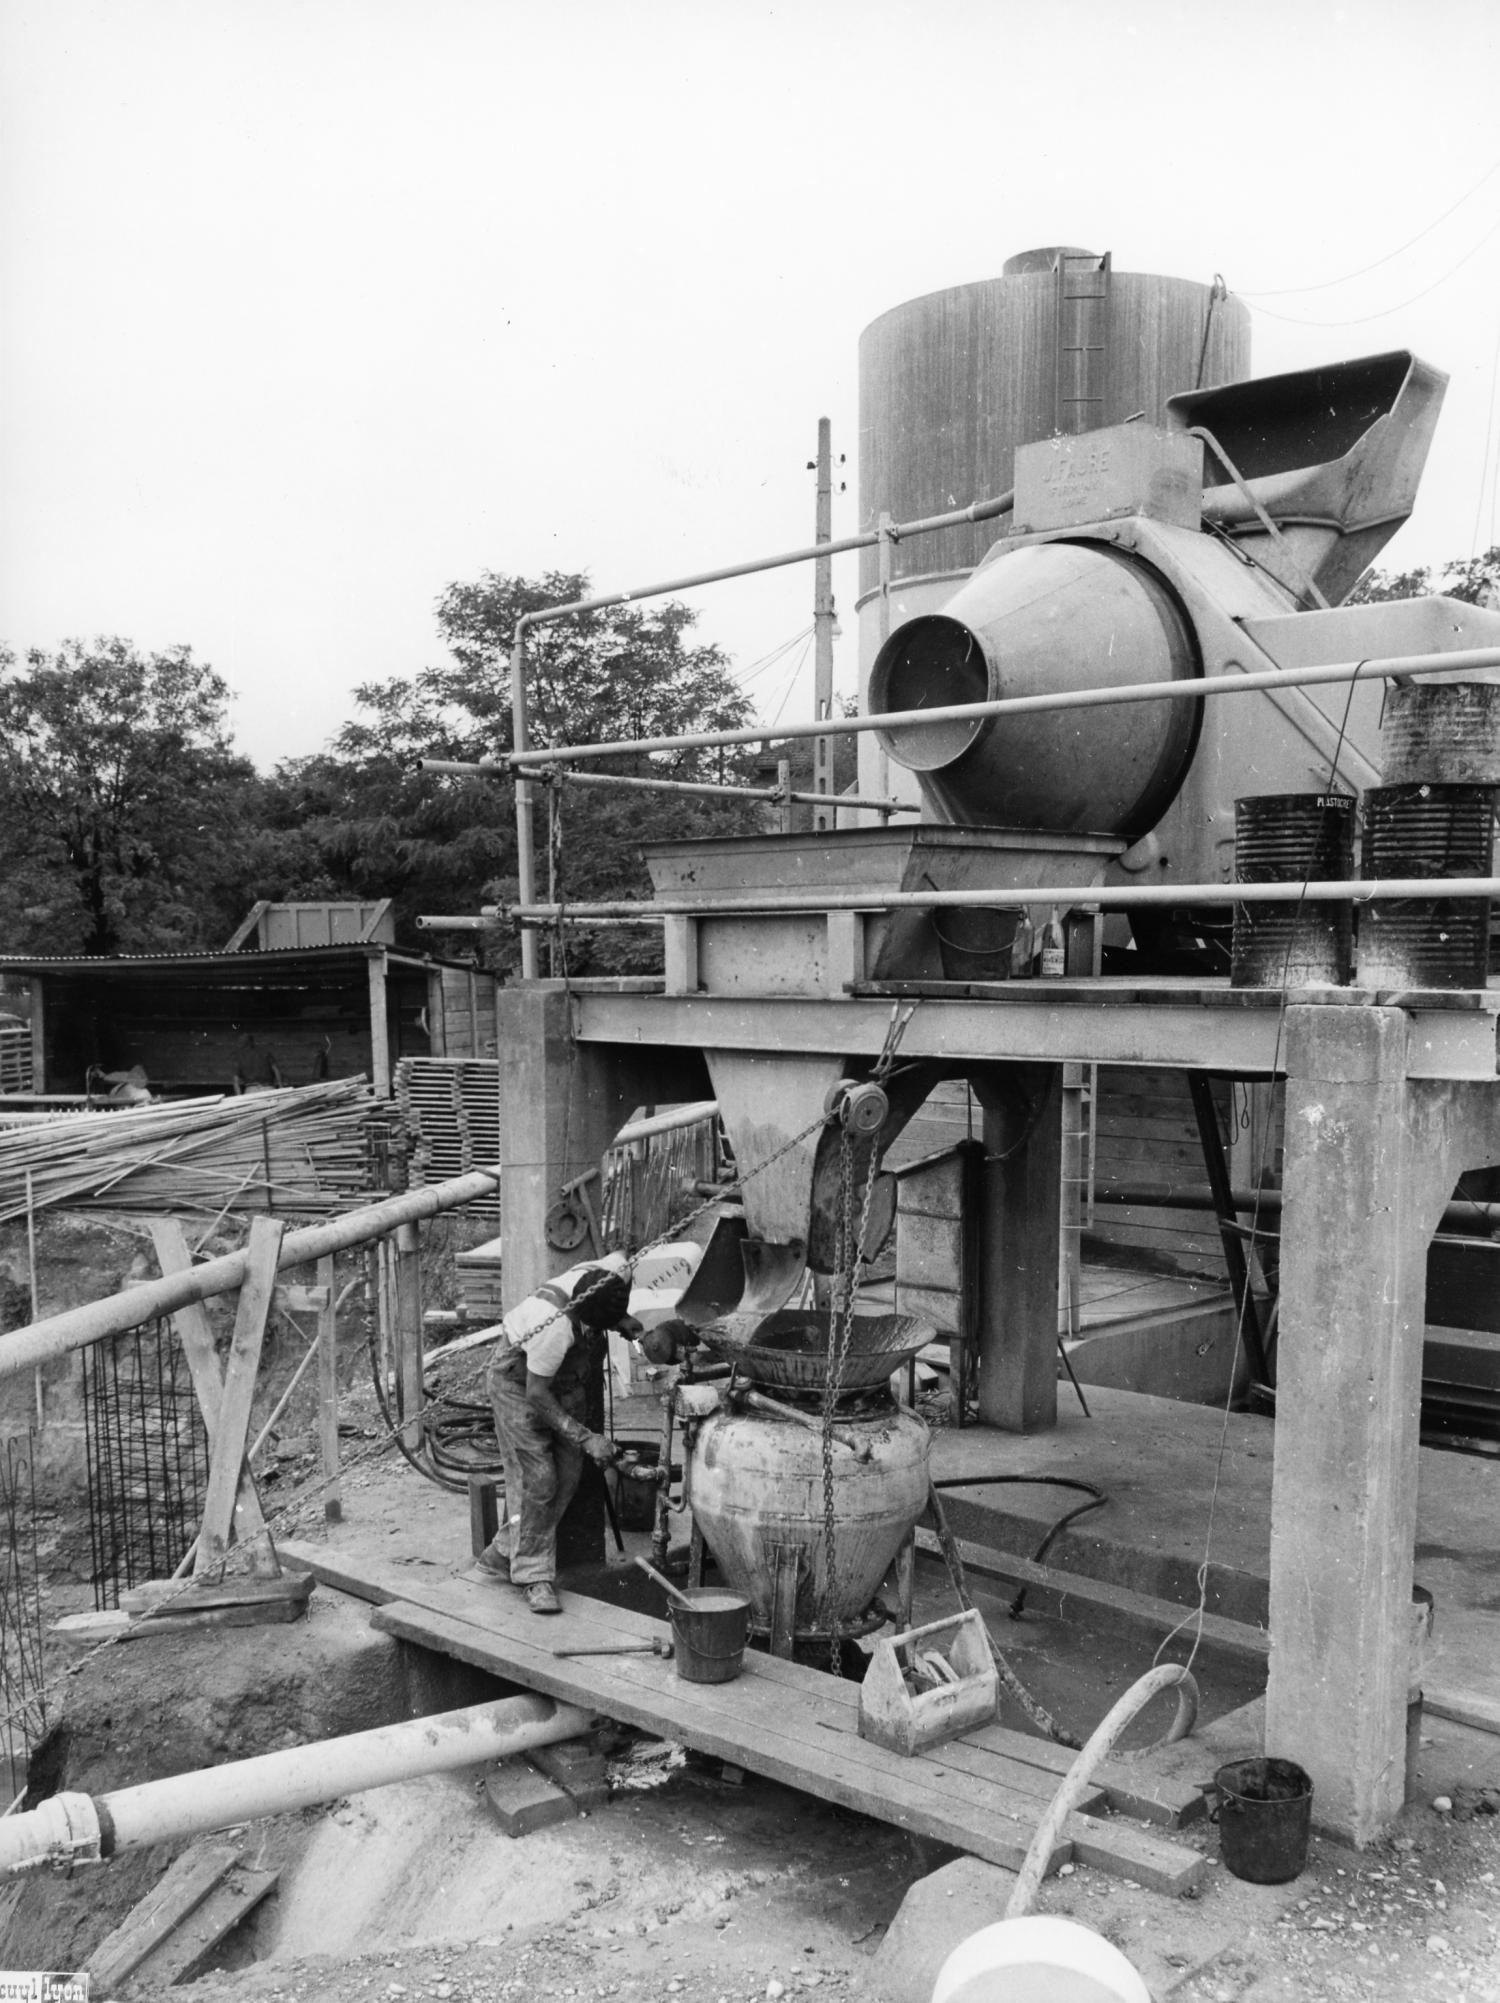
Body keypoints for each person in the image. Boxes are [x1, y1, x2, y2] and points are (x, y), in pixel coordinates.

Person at [477, 1261, 642, 1615]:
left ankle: (503, 1551)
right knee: (539, 1478)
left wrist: (621, 1318)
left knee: (568, 1473)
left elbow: (622, 1263)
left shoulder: (608, 1272)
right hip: (518, 1383)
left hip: (563, 1375)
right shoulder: (552, 1330)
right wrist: (586, 1438)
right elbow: (537, 1394)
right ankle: (532, 1576)